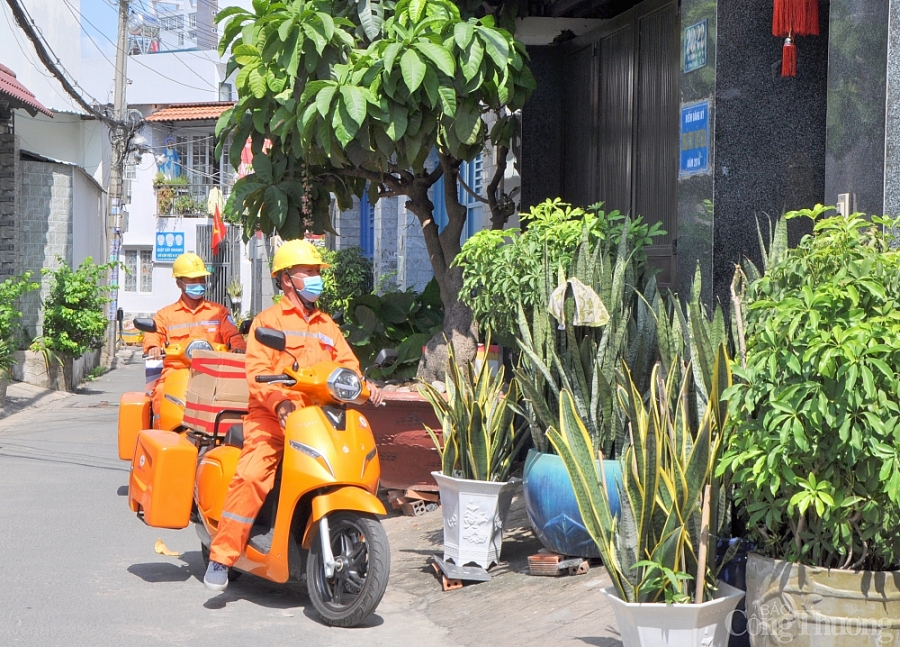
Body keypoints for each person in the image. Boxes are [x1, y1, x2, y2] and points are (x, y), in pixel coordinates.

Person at [203, 239, 384, 591]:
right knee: (253, 475)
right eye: (310, 272)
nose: (317, 279)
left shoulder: (327, 325)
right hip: (272, 418)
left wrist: (365, 385)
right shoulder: (267, 322)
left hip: (319, 418)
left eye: (318, 272)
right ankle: (222, 557)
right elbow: (257, 373)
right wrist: (281, 404)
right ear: (287, 279)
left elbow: (347, 365)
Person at [143, 252, 246, 421]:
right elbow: (153, 333)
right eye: (192, 280)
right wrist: (153, 347)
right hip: (176, 371)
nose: (198, 284)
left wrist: (239, 347)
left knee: (235, 398)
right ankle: (166, 434)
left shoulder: (218, 312)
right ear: (179, 283)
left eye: (201, 279)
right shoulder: (165, 314)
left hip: (213, 371)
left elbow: (232, 334)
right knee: (161, 395)